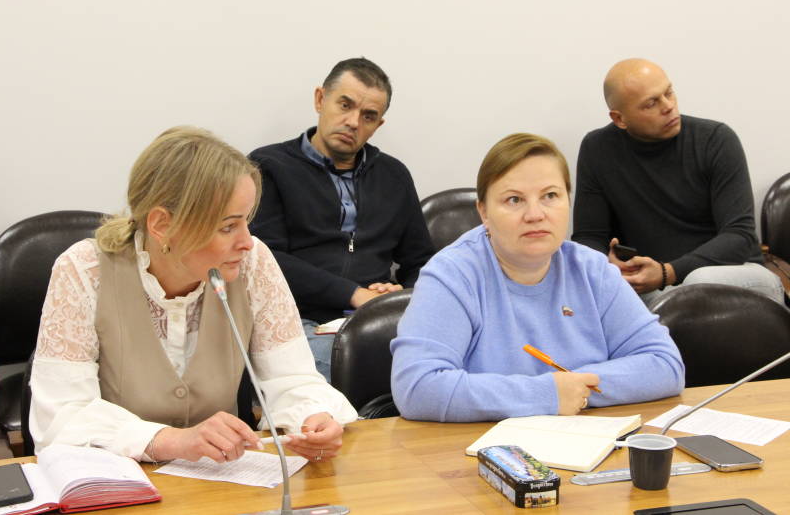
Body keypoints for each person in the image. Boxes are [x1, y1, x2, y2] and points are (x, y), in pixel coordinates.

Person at [30, 126, 357, 463]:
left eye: (247, 221)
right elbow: (62, 414)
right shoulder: (85, 270)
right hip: (118, 477)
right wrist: (170, 440)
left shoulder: (253, 262)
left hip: (223, 477)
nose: (247, 242)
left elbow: (292, 378)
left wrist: (313, 418)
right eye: (228, 226)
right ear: (162, 225)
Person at [390, 133, 684, 422]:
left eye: (550, 196)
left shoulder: (592, 270)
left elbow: (665, 365)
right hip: (478, 447)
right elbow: (418, 388)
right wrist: (546, 394)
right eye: (514, 200)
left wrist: (573, 389)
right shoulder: (452, 275)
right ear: (484, 212)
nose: (535, 214)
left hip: (585, 439)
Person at [248, 57, 435, 381]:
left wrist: (399, 296)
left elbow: (421, 261)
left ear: (378, 125)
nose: (353, 122)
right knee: (339, 368)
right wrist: (354, 294)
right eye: (345, 105)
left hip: (376, 319)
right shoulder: (269, 165)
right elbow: (264, 258)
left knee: (435, 362)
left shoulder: (394, 175)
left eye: (368, 116)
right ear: (320, 99)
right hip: (298, 319)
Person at [572, 58, 784, 306]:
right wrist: (607, 266)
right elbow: (589, 237)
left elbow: (740, 236)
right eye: (651, 103)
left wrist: (668, 272)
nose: (669, 106)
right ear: (620, 119)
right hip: (655, 286)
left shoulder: (716, 140)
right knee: (612, 291)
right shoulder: (597, 149)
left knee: (697, 282)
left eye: (669, 92)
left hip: (736, 274)